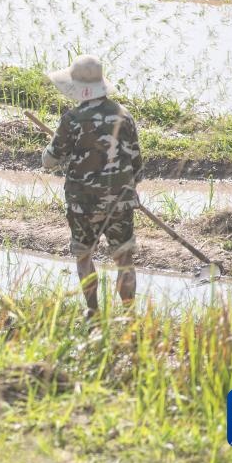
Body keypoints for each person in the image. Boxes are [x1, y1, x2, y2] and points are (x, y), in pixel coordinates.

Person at [40, 54, 143, 319]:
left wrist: (55, 147)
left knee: (84, 255)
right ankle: (129, 316)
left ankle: (93, 312)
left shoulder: (72, 118)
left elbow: (49, 161)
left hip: (83, 202)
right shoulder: (124, 115)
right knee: (123, 259)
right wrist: (128, 189)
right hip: (120, 201)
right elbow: (136, 162)